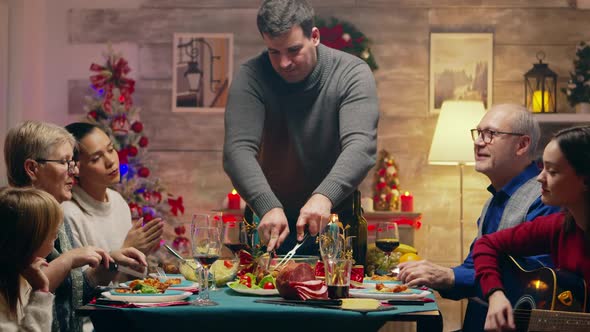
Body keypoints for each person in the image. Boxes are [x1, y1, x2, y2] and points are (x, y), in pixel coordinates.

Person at [222, 0, 379, 254]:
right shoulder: (251, 76)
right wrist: (267, 205)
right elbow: (237, 151)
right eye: (274, 52)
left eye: (293, 50)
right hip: (269, 222)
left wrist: (324, 196)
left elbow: (361, 146)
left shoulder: (353, 73)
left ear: (314, 36)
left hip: (335, 222)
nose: (284, 62)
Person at [397, 104, 560, 331]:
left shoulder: (544, 199)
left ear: (522, 145)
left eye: (491, 134)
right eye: (478, 133)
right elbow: (473, 267)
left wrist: (449, 276)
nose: (478, 142)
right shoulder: (493, 200)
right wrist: (436, 274)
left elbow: (534, 285)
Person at [4, 120, 147, 332]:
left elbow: (71, 297)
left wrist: (108, 264)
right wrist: (67, 260)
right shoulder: (15, 220)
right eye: (65, 162)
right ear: (32, 168)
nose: (75, 170)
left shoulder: (57, 214)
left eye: (73, 161)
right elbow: (24, 296)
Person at [473, 125, 590, 331]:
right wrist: (496, 295)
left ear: (585, 180)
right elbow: (486, 244)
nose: (539, 178)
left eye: (552, 171)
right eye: (542, 167)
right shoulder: (558, 226)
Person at [62, 122, 164, 255]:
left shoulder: (117, 200)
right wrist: (127, 249)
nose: (110, 161)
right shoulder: (68, 214)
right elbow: (80, 276)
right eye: (96, 158)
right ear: (76, 168)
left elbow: (131, 273)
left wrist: (141, 253)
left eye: (110, 149)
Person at [0, 187, 62, 331]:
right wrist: (40, 291)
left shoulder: (23, 275)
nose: (56, 239)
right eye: (53, 234)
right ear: (31, 240)